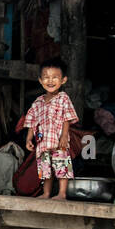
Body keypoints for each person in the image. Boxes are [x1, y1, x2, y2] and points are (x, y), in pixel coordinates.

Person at [23, 57, 79, 200]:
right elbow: (32, 122)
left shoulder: (63, 98)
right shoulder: (38, 102)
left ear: (63, 80)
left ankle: (62, 193)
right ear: (40, 81)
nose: (50, 81)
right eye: (46, 77)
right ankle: (46, 193)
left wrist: (64, 136)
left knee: (62, 166)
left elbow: (67, 118)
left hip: (59, 141)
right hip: (43, 143)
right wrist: (29, 138)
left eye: (55, 77)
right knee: (45, 169)